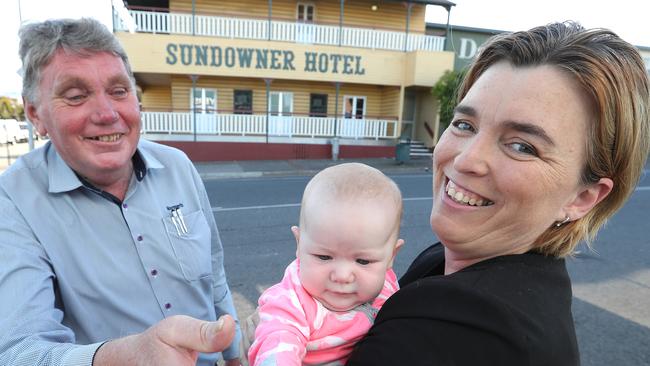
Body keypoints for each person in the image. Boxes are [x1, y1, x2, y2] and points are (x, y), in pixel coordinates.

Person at [342, 21, 650, 365]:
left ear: (582, 198)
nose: (466, 159)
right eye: (464, 125)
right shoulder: (463, 263)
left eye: (521, 146)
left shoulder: (461, 332)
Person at [0, 18, 242, 366]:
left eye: (118, 91)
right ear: (35, 114)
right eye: (76, 96)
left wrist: (233, 356)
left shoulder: (178, 166)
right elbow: (20, 351)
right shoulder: (14, 199)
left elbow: (214, 275)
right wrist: (127, 356)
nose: (107, 113)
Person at [248, 163, 404, 366]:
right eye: (324, 257)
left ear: (391, 257)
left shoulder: (388, 288)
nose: (342, 275)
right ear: (299, 244)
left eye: (363, 261)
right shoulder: (291, 304)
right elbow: (277, 344)